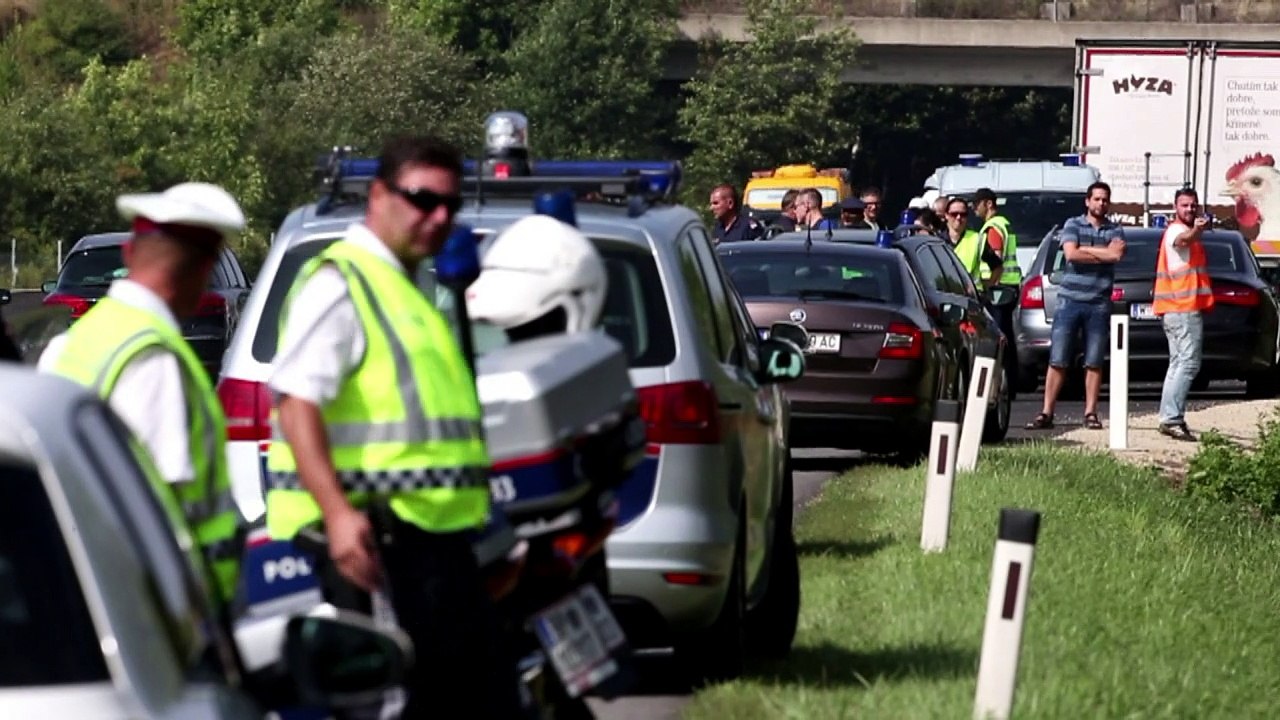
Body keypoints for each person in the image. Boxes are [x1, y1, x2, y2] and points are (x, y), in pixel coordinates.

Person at [264, 134, 521, 719]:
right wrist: (336, 514)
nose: (437, 217)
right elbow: (296, 401)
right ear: (378, 195)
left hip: (436, 544)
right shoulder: (342, 284)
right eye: (422, 200)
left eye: (450, 206)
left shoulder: (406, 290)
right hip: (379, 549)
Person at [38, 182, 246, 600]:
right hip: (169, 609)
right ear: (201, 272)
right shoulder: (153, 360)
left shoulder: (72, 344)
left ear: (131, 254)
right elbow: (157, 514)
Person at [1026, 181, 1125, 431]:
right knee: (1058, 358)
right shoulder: (1072, 224)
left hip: (1099, 303)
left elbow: (1116, 255)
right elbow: (1071, 254)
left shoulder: (1115, 229)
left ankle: (1091, 412)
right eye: (1097, 199)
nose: (1101, 203)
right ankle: (1046, 412)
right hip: (1070, 301)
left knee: (1094, 361)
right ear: (1087, 201)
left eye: (1105, 199)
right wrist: (1100, 252)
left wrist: (1087, 250)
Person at [1154, 188, 1214, 441]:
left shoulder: (1183, 231)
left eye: (1193, 205)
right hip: (1182, 308)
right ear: (1175, 207)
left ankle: (1169, 417)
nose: (1190, 209)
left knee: (1178, 363)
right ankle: (1172, 418)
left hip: (1178, 308)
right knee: (1188, 363)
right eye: (1185, 205)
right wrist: (1198, 230)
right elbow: (1183, 241)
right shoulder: (1177, 231)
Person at [944, 197, 1003, 284]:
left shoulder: (977, 240)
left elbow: (997, 267)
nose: (959, 217)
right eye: (954, 214)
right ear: (946, 215)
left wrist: (988, 287)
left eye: (963, 214)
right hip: (944, 295)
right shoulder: (936, 241)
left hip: (971, 295)